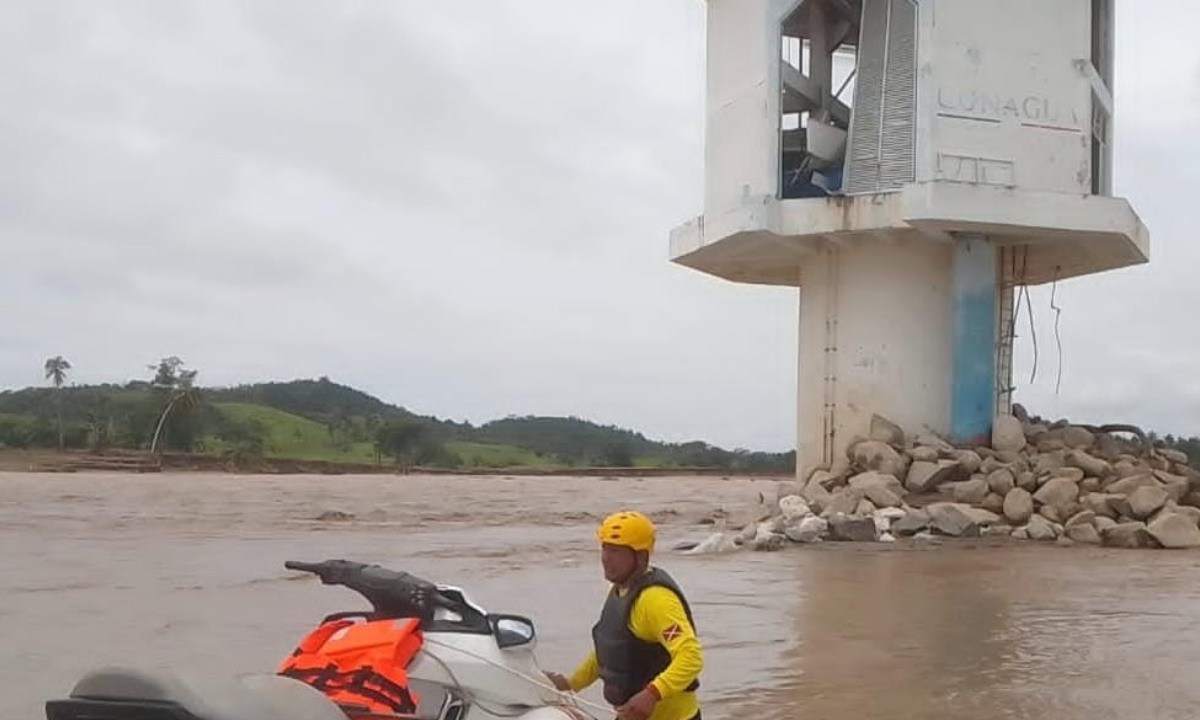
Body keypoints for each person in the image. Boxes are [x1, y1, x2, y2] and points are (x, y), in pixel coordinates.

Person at [547, 511, 703, 720]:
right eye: (605, 549)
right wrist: (571, 683)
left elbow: (690, 657)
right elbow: (610, 649)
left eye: (616, 552)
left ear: (641, 557)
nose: (606, 559)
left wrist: (652, 694)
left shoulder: (656, 600)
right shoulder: (621, 589)